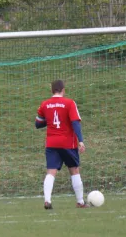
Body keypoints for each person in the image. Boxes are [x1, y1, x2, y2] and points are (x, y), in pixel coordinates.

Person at [35, 79, 88, 210]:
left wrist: (50, 119)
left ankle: (47, 200)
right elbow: (75, 122)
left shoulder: (45, 104)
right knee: (74, 170)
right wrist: (80, 141)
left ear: (52, 90)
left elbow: (38, 124)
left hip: (52, 143)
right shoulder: (69, 103)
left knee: (51, 171)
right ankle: (80, 202)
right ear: (63, 90)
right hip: (68, 143)